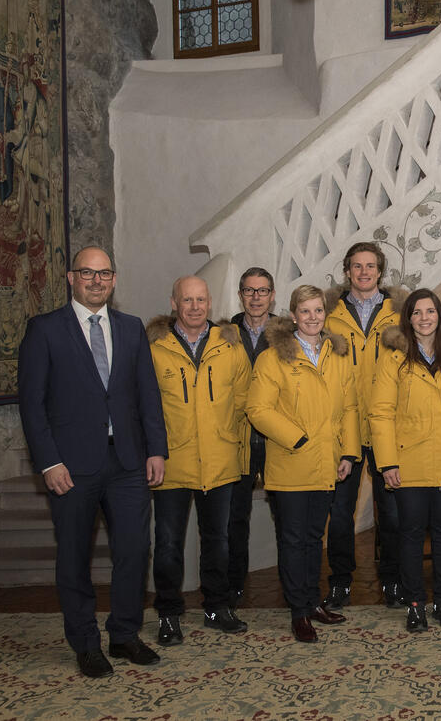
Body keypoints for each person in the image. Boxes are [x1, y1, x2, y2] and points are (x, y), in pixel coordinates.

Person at [17, 246, 167, 678]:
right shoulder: (44, 330)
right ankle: (85, 644)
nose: (96, 280)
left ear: (114, 280)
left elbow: (147, 395)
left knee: (135, 551)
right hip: (71, 466)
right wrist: (48, 462)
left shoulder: (132, 328)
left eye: (104, 274)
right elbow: (32, 405)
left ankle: (123, 635)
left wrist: (155, 449)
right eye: (87, 273)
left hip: (127, 462)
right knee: (74, 558)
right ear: (71, 277)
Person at [146, 276, 252, 645]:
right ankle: (169, 614)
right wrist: (152, 451)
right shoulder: (155, 347)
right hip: (172, 461)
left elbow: (243, 399)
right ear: (173, 302)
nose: (195, 307)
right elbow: (146, 407)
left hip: (220, 459)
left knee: (218, 540)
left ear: (210, 303)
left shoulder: (229, 344)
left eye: (201, 300)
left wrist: (234, 444)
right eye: (187, 300)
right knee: (169, 543)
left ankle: (216, 607)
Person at [246, 286, 355, 642]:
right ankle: (298, 611)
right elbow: (258, 410)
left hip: (327, 463)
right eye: (305, 312)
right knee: (293, 540)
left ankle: (312, 603)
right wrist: (297, 438)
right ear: (293, 315)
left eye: (318, 311)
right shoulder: (273, 357)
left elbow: (350, 407)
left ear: (326, 314)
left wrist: (347, 453)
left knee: (313, 538)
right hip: (291, 462)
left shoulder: (338, 354)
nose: (312, 318)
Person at [371, 289, 441, 631]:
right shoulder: (392, 360)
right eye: (416, 313)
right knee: (412, 536)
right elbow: (380, 413)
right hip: (408, 463)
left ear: (439, 315)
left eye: (430, 311)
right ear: (408, 318)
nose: (423, 318)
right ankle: (415, 603)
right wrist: (387, 463)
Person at [323, 242, 406, 609]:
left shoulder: (400, 312)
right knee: (341, 513)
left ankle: (392, 581)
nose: (364, 272)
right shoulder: (327, 315)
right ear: (347, 271)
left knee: (391, 513)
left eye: (370, 266)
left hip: (387, 426)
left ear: (379, 271)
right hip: (345, 428)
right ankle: (340, 582)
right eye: (357, 266)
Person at [227, 267, 275, 609]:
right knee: (235, 517)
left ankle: (296, 586)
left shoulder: (288, 333)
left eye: (262, 291)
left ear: (272, 295)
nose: (256, 297)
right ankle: (234, 585)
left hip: (276, 440)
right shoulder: (223, 335)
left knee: (290, 518)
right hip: (239, 438)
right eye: (249, 291)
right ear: (241, 295)